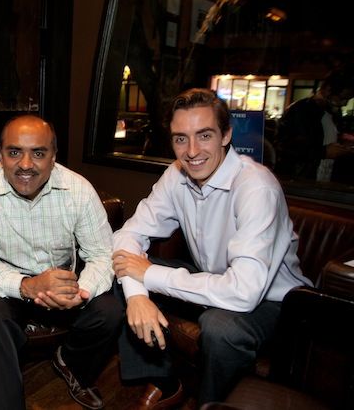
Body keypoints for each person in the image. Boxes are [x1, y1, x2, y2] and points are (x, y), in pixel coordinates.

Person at [112, 88, 312, 407]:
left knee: (220, 328)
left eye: (204, 135)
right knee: (120, 274)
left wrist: (149, 275)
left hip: (274, 302)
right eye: (181, 139)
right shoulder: (176, 175)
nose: (192, 151)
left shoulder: (256, 187)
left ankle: (213, 404)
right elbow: (128, 235)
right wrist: (137, 296)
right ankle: (165, 381)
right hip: (215, 278)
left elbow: (244, 292)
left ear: (226, 135)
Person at [0, 114, 123, 410]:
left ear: (53, 156)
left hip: (62, 281)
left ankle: (71, 363)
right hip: (8, 282)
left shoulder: (78, 189)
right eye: (14, 152)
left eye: (38, 153)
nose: (25, 164)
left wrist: (80, 292)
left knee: (110, 310)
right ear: (0, 154)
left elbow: (101, 254)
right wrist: (27, 285)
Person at [276, 68, 354, 181]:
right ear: (328, 89)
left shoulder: (332, 112)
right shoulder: (300, 110)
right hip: (301, 178)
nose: (345, 103)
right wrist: (323, 152)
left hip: (322, 176)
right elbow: (285, 146)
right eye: (342, 98)